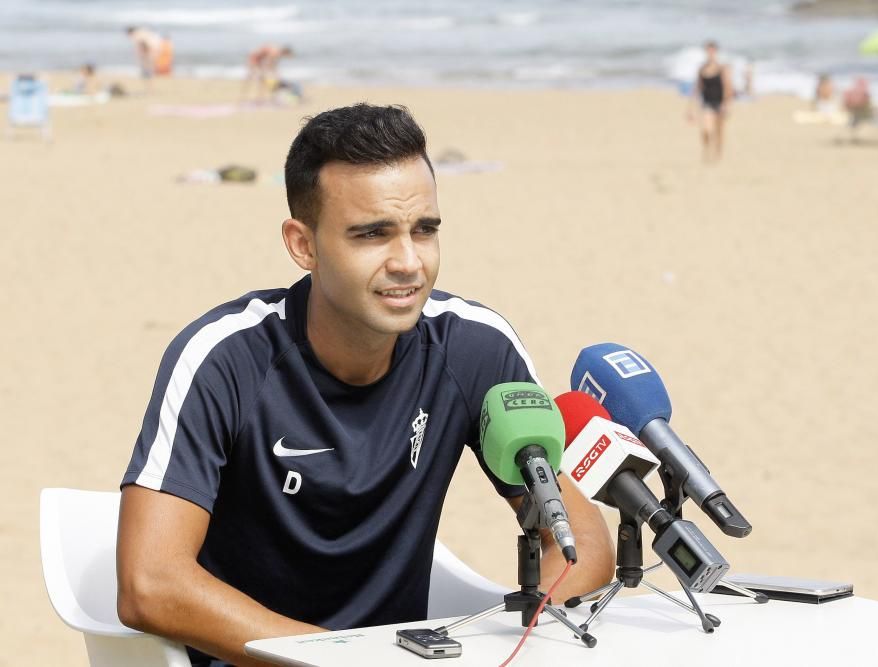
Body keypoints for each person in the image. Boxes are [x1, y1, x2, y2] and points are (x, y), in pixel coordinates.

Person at [116, 103, 615, 667]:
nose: (408, 262)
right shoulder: (223, 358)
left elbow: (582, 544)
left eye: (423, 230)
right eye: (372, 234)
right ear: (303, 245)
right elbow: (149, 585)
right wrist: (335, 659)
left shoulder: (476, 348)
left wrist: (505, 642)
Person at [687, 40, 733, 162]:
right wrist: (690, 108)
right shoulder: (702, 69)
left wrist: (726, 105)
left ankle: (718, 154)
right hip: (707, 102)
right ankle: (707, 149)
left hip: (719, 103)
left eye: (712, 51)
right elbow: (697, 89)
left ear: (716, 52)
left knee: (719, 132)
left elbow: (727, 88)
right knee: (706, 130)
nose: (710, 54)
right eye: (708, 51)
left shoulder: (722, 68)